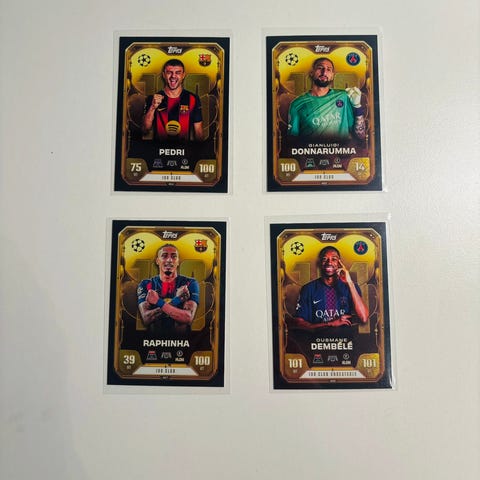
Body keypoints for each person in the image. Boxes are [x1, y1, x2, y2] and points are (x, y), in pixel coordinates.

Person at [290, 246, 368, 330]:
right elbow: (299, 323)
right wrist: (331, 324)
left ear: (339, 263)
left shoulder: (351, 287)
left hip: (345, 338)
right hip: (317, 338)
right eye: (325, 259)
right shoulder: (308, 289)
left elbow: (363, 317)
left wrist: (349, 282)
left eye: (334, 259)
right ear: (320, 263)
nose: (329, 262)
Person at [287, 57, 366, 140]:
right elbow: (292, 140)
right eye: (320, 68)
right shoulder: (297, 104)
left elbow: (360, 135)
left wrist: (357, 106)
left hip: (341, 148)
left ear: (332, 76)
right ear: (311, 73)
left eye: (328, 69)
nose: (324, 72)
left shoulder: (343, 97)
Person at [137, 244, 199, 336]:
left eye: (174, 256)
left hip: (182, 341)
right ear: (157, 261)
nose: (169, 260)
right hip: (154, 341)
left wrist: (157, 302)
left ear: (178, 262)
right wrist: (177, 300)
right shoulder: (146, 284)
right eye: (164, 256)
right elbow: (146, 318)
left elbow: (187, 317)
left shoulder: (189, 283)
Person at [142, 59, 203, 141]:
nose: (173, 76)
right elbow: (145, 130)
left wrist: (199, 149)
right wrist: (152, 107)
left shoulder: (193, 99)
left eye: (178, 73)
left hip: (183, 148)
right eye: (169, 72)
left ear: (183, 75)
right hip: (159, 148)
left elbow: (198, 131)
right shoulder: (153, 99)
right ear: (163, 75)